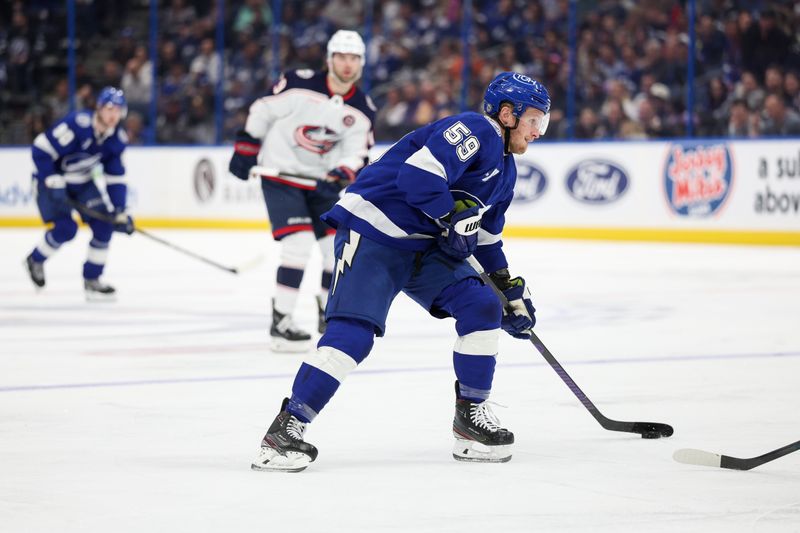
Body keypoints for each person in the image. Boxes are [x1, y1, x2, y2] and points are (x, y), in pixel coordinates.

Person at [251, 72, 550, 472]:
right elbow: (418, 177)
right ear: (508, 114)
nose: (537, 131)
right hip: (375, 229)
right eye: (533, 120)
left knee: (482, 306)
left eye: (542, 123)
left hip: (424, 247)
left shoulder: (507, 173)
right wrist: (450, 215)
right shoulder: (475, 129)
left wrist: (507, 291)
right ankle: (286, 429)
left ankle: (470, 421)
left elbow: (486, 242)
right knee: (353, 335)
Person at [228, 30, 376, 353]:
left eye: (354, 58)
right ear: (329, 59)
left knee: (336, 248)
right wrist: (246, 147)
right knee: (298, 243)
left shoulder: (363, 108)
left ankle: (328, 314)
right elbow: (262, 110)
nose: (347, 64)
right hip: (282, 178)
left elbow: (357, 152)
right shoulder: (298, 83)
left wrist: (341, 172)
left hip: (320, 184)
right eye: (341, 57)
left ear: (361, 63)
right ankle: (281, 322)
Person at [24, 87, 135, 301]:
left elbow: (115, 178)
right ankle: (35, 260)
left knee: (105, 226)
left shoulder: (117, 140)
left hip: (83, 183)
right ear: (99, 109)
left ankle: (92, 280)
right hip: (51, 181)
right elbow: (40, 148)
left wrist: (120, 211)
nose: (113, 114)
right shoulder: (78, 125)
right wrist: (49, 177)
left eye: (118, 110)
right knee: (66, 229)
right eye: (109, 108)